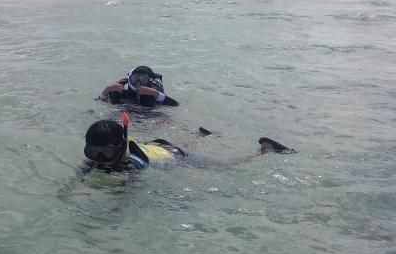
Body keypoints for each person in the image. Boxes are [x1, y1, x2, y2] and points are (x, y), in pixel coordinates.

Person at [80, 114, 294, 175]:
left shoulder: (133, 164)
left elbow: (127, 197)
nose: (99, 160)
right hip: (155, 145)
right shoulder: (105, 155)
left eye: (105, 153)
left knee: (221, 167)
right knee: (174, 145)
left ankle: (264, 151)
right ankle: (200, 136)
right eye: (93, 152)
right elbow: (80, 175)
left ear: (118, 149)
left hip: (171, 155)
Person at [98, 65, 179, 107]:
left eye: (143, 80)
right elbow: (98, 102)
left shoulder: (153, 95)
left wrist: (155, 93)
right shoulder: (124, 94)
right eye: (135, 79)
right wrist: (107, 89)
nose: (138, 83)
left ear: (149, 82)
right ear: (129, 79)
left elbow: (175, 104)